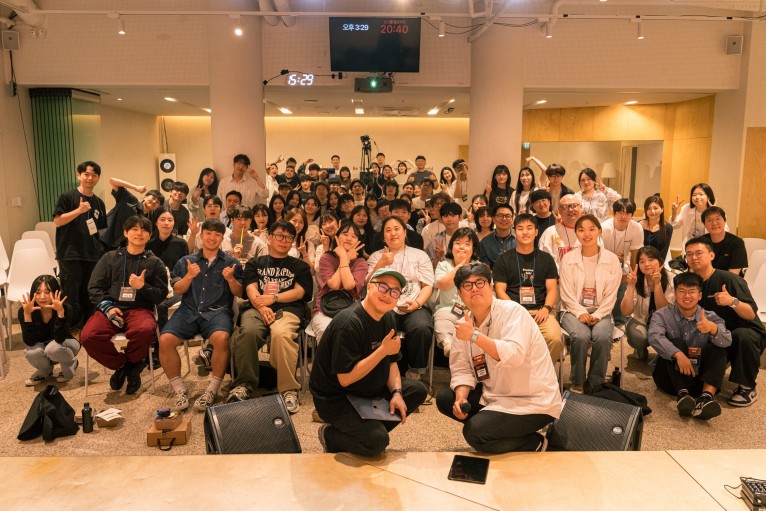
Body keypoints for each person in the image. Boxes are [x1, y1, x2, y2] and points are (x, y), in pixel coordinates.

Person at [436, 263, 562, 453]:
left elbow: (514, 355)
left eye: (480, 282)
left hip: (532, 400)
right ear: (460, 294)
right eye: (467, 285)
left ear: (491, 286)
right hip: (495, 392)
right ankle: (498, 428)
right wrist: (461, 399)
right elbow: (461, 368)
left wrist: (474, 336)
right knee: (446, 398)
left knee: (475, 433)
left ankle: (536, 443)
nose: (474, 289)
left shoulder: (513, 312)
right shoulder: (463, 325)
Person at [310, 268, 428, 456]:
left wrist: (397, 393)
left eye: (394, 292)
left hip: (368, 387)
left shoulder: (388, 317)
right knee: (377, 442)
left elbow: (392, 362)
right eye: (383, 287)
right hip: (337, 397)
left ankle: (363, 430)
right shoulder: (348, 323)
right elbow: (345, 379)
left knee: (417, 390)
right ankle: (330, 435)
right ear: (370, 287)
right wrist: (382, 351)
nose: (387, 295)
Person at [228, 220, 313, 412]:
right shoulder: (255, 263)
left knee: (281, 334)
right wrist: (261, 306)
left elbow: (299, 292)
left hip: (289, 309)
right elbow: (250, 288)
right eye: (279, 236)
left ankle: (289, 389)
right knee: (248, 332)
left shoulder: (300, 266)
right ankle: (244, 384)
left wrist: (273, 298)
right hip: (257, 309)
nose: (284, 241)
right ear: (269, 237)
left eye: (289, 238)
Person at [159, 218, 243, 412]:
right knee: (165, 340)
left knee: (221, 338)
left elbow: (239, 293)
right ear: (201, 235)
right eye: (208, 233)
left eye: (217, 234)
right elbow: (178, 289)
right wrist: (189, 276)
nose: (212, 238)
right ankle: (180, 390)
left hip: (217, 312)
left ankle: (211, 390)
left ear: (222, 238)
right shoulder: (186, 261)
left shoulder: (231, 262)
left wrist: (231, 279)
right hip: (188, 310)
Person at [80, 216, 168, 395]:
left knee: (144, 331)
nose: (139, 233)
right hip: (111, 308)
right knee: (89, 336)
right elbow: (94, 287)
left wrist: (143, 287)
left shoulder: (155, 262)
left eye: (144, 230)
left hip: (140, 308)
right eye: (134, 229)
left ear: (150, 235)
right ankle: (126, 365)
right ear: (125, 233)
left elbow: (160, 296)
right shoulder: (109, 258)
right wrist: (108, 308)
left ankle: (130, 366)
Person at [685, 236, 766, 406]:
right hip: (713, 335)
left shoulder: (730, 280)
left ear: (712, 255)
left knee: (742, 335)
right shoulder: (689, 283)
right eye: (689, 254)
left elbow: (751, 314)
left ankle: (747, 387)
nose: (694, 257)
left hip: (742, 335)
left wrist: (732, 302)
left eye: (699, 253)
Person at [648, 272, 731, 419]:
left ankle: (705, 399)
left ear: (699, 295)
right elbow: (654, 337)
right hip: (670, 380)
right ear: (675, 294)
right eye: (682, 291)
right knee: (675, 343)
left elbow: (727, 341)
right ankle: (683, 397)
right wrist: (678, 354)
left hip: (700, 380)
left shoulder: (711, 317)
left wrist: (713, 329)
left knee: (719, 348)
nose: (687, 296)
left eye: (692, 291)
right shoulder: (661, 315)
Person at [559, 214, 622, 392]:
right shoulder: (568, 259)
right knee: (581, 336)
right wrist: (581, 312)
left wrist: (598, 314)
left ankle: (595, 382)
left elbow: (611, 294)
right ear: (576, 233)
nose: (587, 234)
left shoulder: (612, 259)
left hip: (601, 310)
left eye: (591, 229)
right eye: (581, 230)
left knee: (601, 337)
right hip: (572, 310)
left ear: (599, 231)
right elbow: (566, 294)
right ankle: (577, 382)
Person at [367, 216, 434, 380]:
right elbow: (368, 285)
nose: (393, 233)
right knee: (378, 326)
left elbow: (427, 286)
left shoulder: (420, 255)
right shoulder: (376, 256)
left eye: (397, 229)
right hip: (385, 305)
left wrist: (416, 303)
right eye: (388, 230)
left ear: (405, 232)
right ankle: (381, 369)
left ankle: (416, 371)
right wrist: (381, 264)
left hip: (415, 305)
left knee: (422, 327)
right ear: (383, 237)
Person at [494, 214, 563, 364]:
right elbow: (500, 291)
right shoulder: (503, 259)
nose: (525, 232)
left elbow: (552, 289)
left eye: (529, 228)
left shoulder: (546, 259)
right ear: (514, 232)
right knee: (506, 342)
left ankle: (543, 373)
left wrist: (546, 309)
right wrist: (517, 311)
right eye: (520, 228)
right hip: (512, 313)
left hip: (541, 312)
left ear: (536, 232)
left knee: (555, 339)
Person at [53, 161, 109, 330]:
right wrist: (79, 211)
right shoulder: (67, 197)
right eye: (86, 174)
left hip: (91, 254)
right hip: (70, 253)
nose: (90, 178)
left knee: (89, 292)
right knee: (71, 294)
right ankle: (72, 329)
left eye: (94, 175)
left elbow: (100, 229)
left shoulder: (99, 202)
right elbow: (57, 221)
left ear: (98, 178)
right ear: (79, 175)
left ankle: (88, 327)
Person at [310, 221, 367, 343]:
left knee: (352, 333)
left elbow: (348, 285)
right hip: (324, 309)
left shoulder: (361, 263)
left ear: (358, 241)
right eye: (345, 234)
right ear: (337, 237)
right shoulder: (326, 258)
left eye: (353, 236)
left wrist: (344, 258)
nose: (349, 238)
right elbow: (334, 285)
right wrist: (345, 258)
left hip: (351, 309)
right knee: (327, 331)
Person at [20, 275, 81, 385]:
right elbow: (29, 342)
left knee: (53, 348)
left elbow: (60, 338)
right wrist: (27, 315)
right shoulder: (25, 310)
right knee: (31, 351)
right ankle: (45, 371)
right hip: (44, 347)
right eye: (38, 292)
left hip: (66, 344)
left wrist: (60, 312)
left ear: (56, 292)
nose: (42, 297)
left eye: (47, 292)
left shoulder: (65, 308)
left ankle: (70, 365)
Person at [621, 246, 674, 361]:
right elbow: (625, 311)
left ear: (659, 261)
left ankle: (663, 349)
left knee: (672, 338)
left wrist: (657, 284)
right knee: (638, 338)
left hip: (665, 322)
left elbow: (664, 311)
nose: (647, 264)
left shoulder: (671, 279)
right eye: (642, 261)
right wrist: (630, 286)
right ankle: (641, 347)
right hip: (641, 320)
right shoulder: (636, 279)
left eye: (651, 259)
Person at [433, 228, 480, 356]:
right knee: (441, 316)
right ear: (451, 246)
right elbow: (442, 285)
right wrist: (460, 266)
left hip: (474, 311)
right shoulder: (443, 265)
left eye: (467, 244)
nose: (462, 247)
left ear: (473, 248)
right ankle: (448, 345)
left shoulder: (479, 267)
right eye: (458, 243)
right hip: (448, 309)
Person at [601, 198, 644, 327]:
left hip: (623, 265)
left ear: (632, 215)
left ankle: (619, 321)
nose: (624, 216)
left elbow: (635, 253)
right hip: (603, 265)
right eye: (620, 212)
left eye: (628, 213)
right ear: (614, 213)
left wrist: (632, 274)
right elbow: (598, 254)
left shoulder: (636, 228)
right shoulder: (605, 228)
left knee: (625, 283)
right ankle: (604, 317)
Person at [146, 206, 189, 330]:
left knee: (161, 305)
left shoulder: (181, 244)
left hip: (175, 284)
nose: (166, 223)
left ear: (174, 223)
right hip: (152, 284)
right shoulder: (148, 243)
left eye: (170, 220)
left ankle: (164, 337)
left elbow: (184, 270)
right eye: (162, 219)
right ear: (156, 222)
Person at [101, 177, 164, 249]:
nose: (154, 202)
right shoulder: (132, 201)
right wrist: (136, 187)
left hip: (118, 247)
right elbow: (112, 181)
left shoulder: (148, 219)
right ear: (145, 197)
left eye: (157, 202)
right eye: (153, 198)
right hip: (103, 239)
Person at [539, 193, 583, 268]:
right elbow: (545, 263)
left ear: (581, 207)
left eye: (574, 205)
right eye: (565, 207)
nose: (570, 210)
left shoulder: (590, 231)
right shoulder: (550, 233)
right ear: (559, 210)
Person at [701, 206, 747, 276]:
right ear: (704, 224)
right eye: (709, 220)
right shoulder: (700, 242)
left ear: (724, 220)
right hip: (705, 280)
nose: (714, 223)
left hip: (729, 280)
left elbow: (733, 275)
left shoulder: (737, 243)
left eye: (717, 219)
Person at [425, 202, 464, 269]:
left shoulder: (468, 238)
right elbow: (430, 268)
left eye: (453, 216)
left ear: (460, 217)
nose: (449, 219)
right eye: (445, 216)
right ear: (441, 218)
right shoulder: (435, 242)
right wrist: (437, 257)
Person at [640, 194, 674, 263]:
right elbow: (636, 250)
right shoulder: (639, 225)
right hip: (641, 262)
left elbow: (664, 251)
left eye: (655, 208)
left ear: (662, 209)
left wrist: (657, 266)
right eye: (649, 208)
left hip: (657, 264)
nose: (652, 211)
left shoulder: (668, 228)